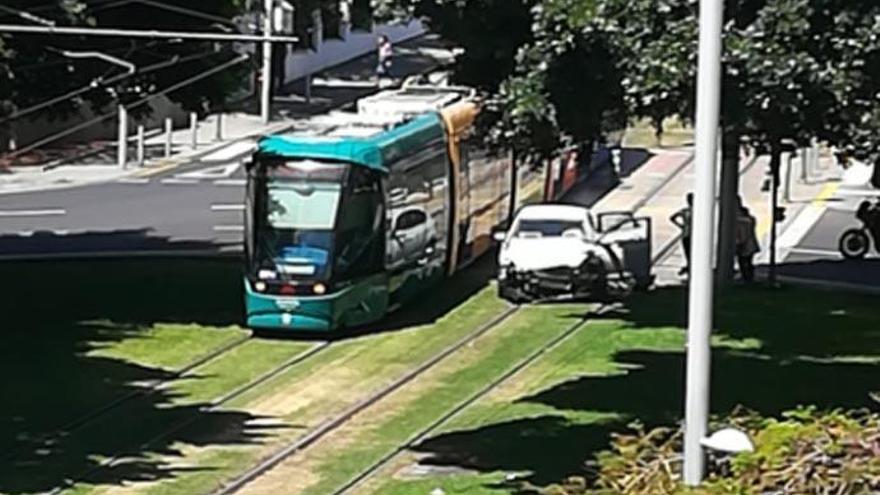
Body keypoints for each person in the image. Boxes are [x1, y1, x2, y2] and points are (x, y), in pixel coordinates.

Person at [670, 193, 693, 275]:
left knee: (687, 251)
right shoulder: (697, 211)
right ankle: (690, 265)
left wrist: (680, 225)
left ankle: (688, 264)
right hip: (693, 234)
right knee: (692, 251)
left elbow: (672, 217)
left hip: (685, 233)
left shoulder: (684, 211)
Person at [735, 205, 759, 283]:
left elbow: (742, 235)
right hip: (751, 244)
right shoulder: (751, 220)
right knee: (749, 261)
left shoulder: (741, 222)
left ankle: (746, 277)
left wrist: (739, 243)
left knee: (743, 262)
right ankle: (749, 277)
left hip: (744, 245)